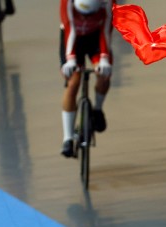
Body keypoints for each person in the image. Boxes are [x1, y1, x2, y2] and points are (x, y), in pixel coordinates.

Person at [59, 0, 114, 158]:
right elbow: (69, 27)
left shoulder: (109, 3)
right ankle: (68, 138)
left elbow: (106, 29)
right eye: (83, 14)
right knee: (73, 82)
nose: (86, 18)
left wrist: (104, 58)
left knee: (104, 75)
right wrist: (70, 60)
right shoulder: (67, 2)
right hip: (72, 38)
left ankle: (97, 109)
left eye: (90, 14)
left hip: (96, 36)